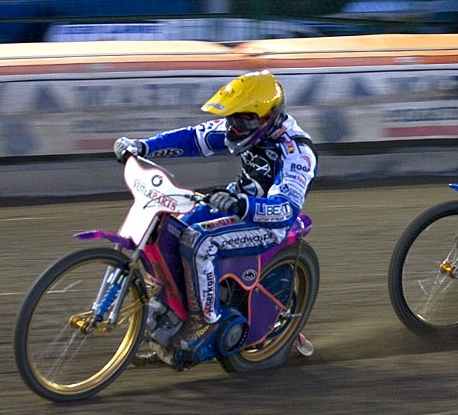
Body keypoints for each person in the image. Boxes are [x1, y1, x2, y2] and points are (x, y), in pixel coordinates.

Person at [113, 70, 317, 356]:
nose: (233, 128)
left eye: (241, 121)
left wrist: (240, 205)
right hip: (235, 202)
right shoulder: (244, 126)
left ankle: (205, 321)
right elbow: (193, 138)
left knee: (199, 242)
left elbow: (285, 209)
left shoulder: (296, 152)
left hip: (266, 224)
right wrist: (144, 146)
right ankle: (170, 313)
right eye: (231, 119)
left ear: (267, 117)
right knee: (172, 230)